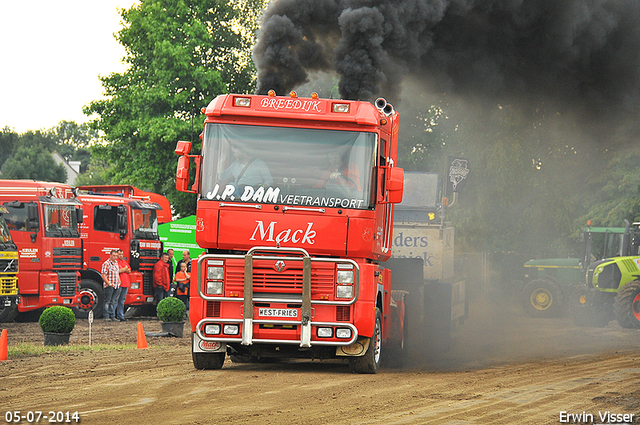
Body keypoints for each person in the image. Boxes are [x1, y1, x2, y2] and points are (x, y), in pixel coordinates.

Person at [100, 250, 121, 321]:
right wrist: (108, 283)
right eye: (114, 255)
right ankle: (106, 316)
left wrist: (119, 281)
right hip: (109, 285)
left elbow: (117, 273)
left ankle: (112, 316)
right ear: (110, 255)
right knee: (107, 301)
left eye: (116, 256)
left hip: (116, 285)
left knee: (113, 301)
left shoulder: (116, 263)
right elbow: (103, 275)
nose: (115, 257)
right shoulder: (106, 264)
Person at [114, 249, 132, 322]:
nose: (121, 256)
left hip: (126, 284)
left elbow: (129, 270)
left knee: (122, 301)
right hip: (119, 284)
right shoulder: (116, 262)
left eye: (122, 254)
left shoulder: (124, 262)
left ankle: (120, 315)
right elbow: (117, 270)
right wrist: (124, 269)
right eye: (119, 254)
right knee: (116, 300)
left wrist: (124, 269)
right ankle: (114, 315)